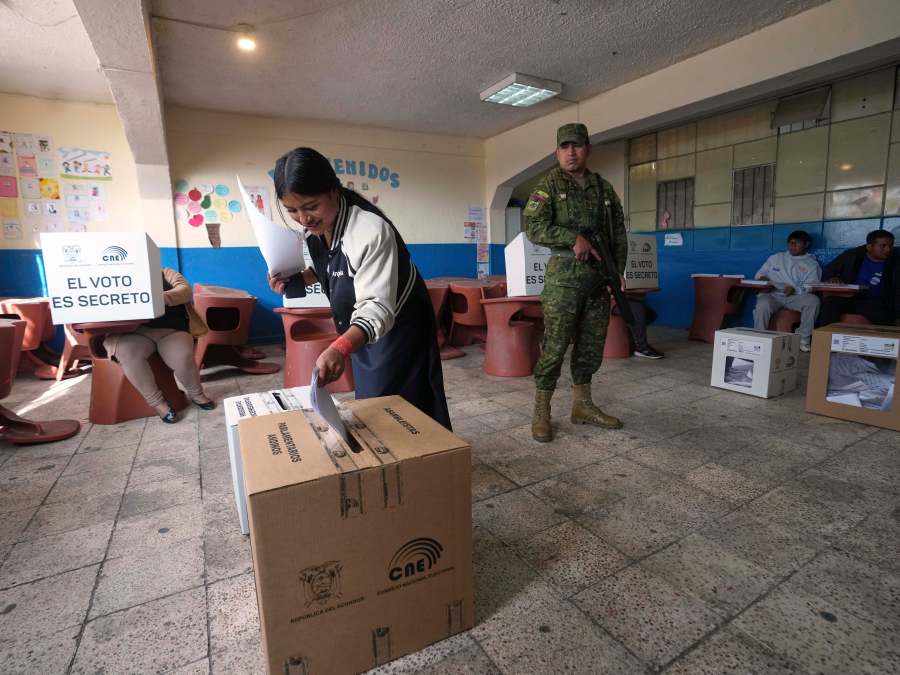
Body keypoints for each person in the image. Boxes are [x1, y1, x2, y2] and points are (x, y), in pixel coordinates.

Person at [269, 147, 451, 430]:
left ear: (333, 191)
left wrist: (340, 346)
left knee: (392, 406)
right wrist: (293, 280)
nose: (303, 219)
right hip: (362, 326)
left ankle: (425, 462)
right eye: (292, 210)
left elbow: (377, 308)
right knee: (373, 403)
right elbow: (327, 268)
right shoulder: (318, 230)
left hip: (398, 328)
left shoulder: (370, 230)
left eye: (311, 206)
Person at [524, 123, 628, 442]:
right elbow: (533, 225)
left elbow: (618, 234)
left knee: (590, 346)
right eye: (565, 147)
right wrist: (572, 238)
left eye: (577, 146)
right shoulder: (549, 186)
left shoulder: (604, 188)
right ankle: (542, 411)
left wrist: (617, 271)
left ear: (587, 149)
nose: (571, 152)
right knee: (555, 346)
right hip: (564, 281)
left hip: (598, 280)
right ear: (557, 152)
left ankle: (582, 405)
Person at [102, 268, 214, 423]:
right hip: (132, 333)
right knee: (125, 352)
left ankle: (197, 394)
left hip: (170, 329)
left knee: (182, 357)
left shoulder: (166, 272)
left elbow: (185, 290)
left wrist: (158, 298)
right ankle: (158, 404)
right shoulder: (109, 277)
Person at [751, 230, 821, 351]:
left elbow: (812, 285)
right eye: (790, 243)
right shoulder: (776, 258)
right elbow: (760, 274)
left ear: (806, 244)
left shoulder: (811, 264)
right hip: (772, 294)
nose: (792, 246)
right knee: (762, 304)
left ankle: (803, 339)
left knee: (813, 301)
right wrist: (763, 279)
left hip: (794, 296)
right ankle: (759, 338)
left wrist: (795, 290)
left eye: (796, 243)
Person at [819, 229, 899, 326]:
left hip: (877, 302)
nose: (888, 250)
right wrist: (833, 277)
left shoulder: (895, 262)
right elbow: (830, 269)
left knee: (884, 316)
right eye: (883, 246)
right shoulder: (852, 255)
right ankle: (823, 338)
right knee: (830, 305)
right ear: (869, 246)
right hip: (850, 298)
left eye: (890, 246)